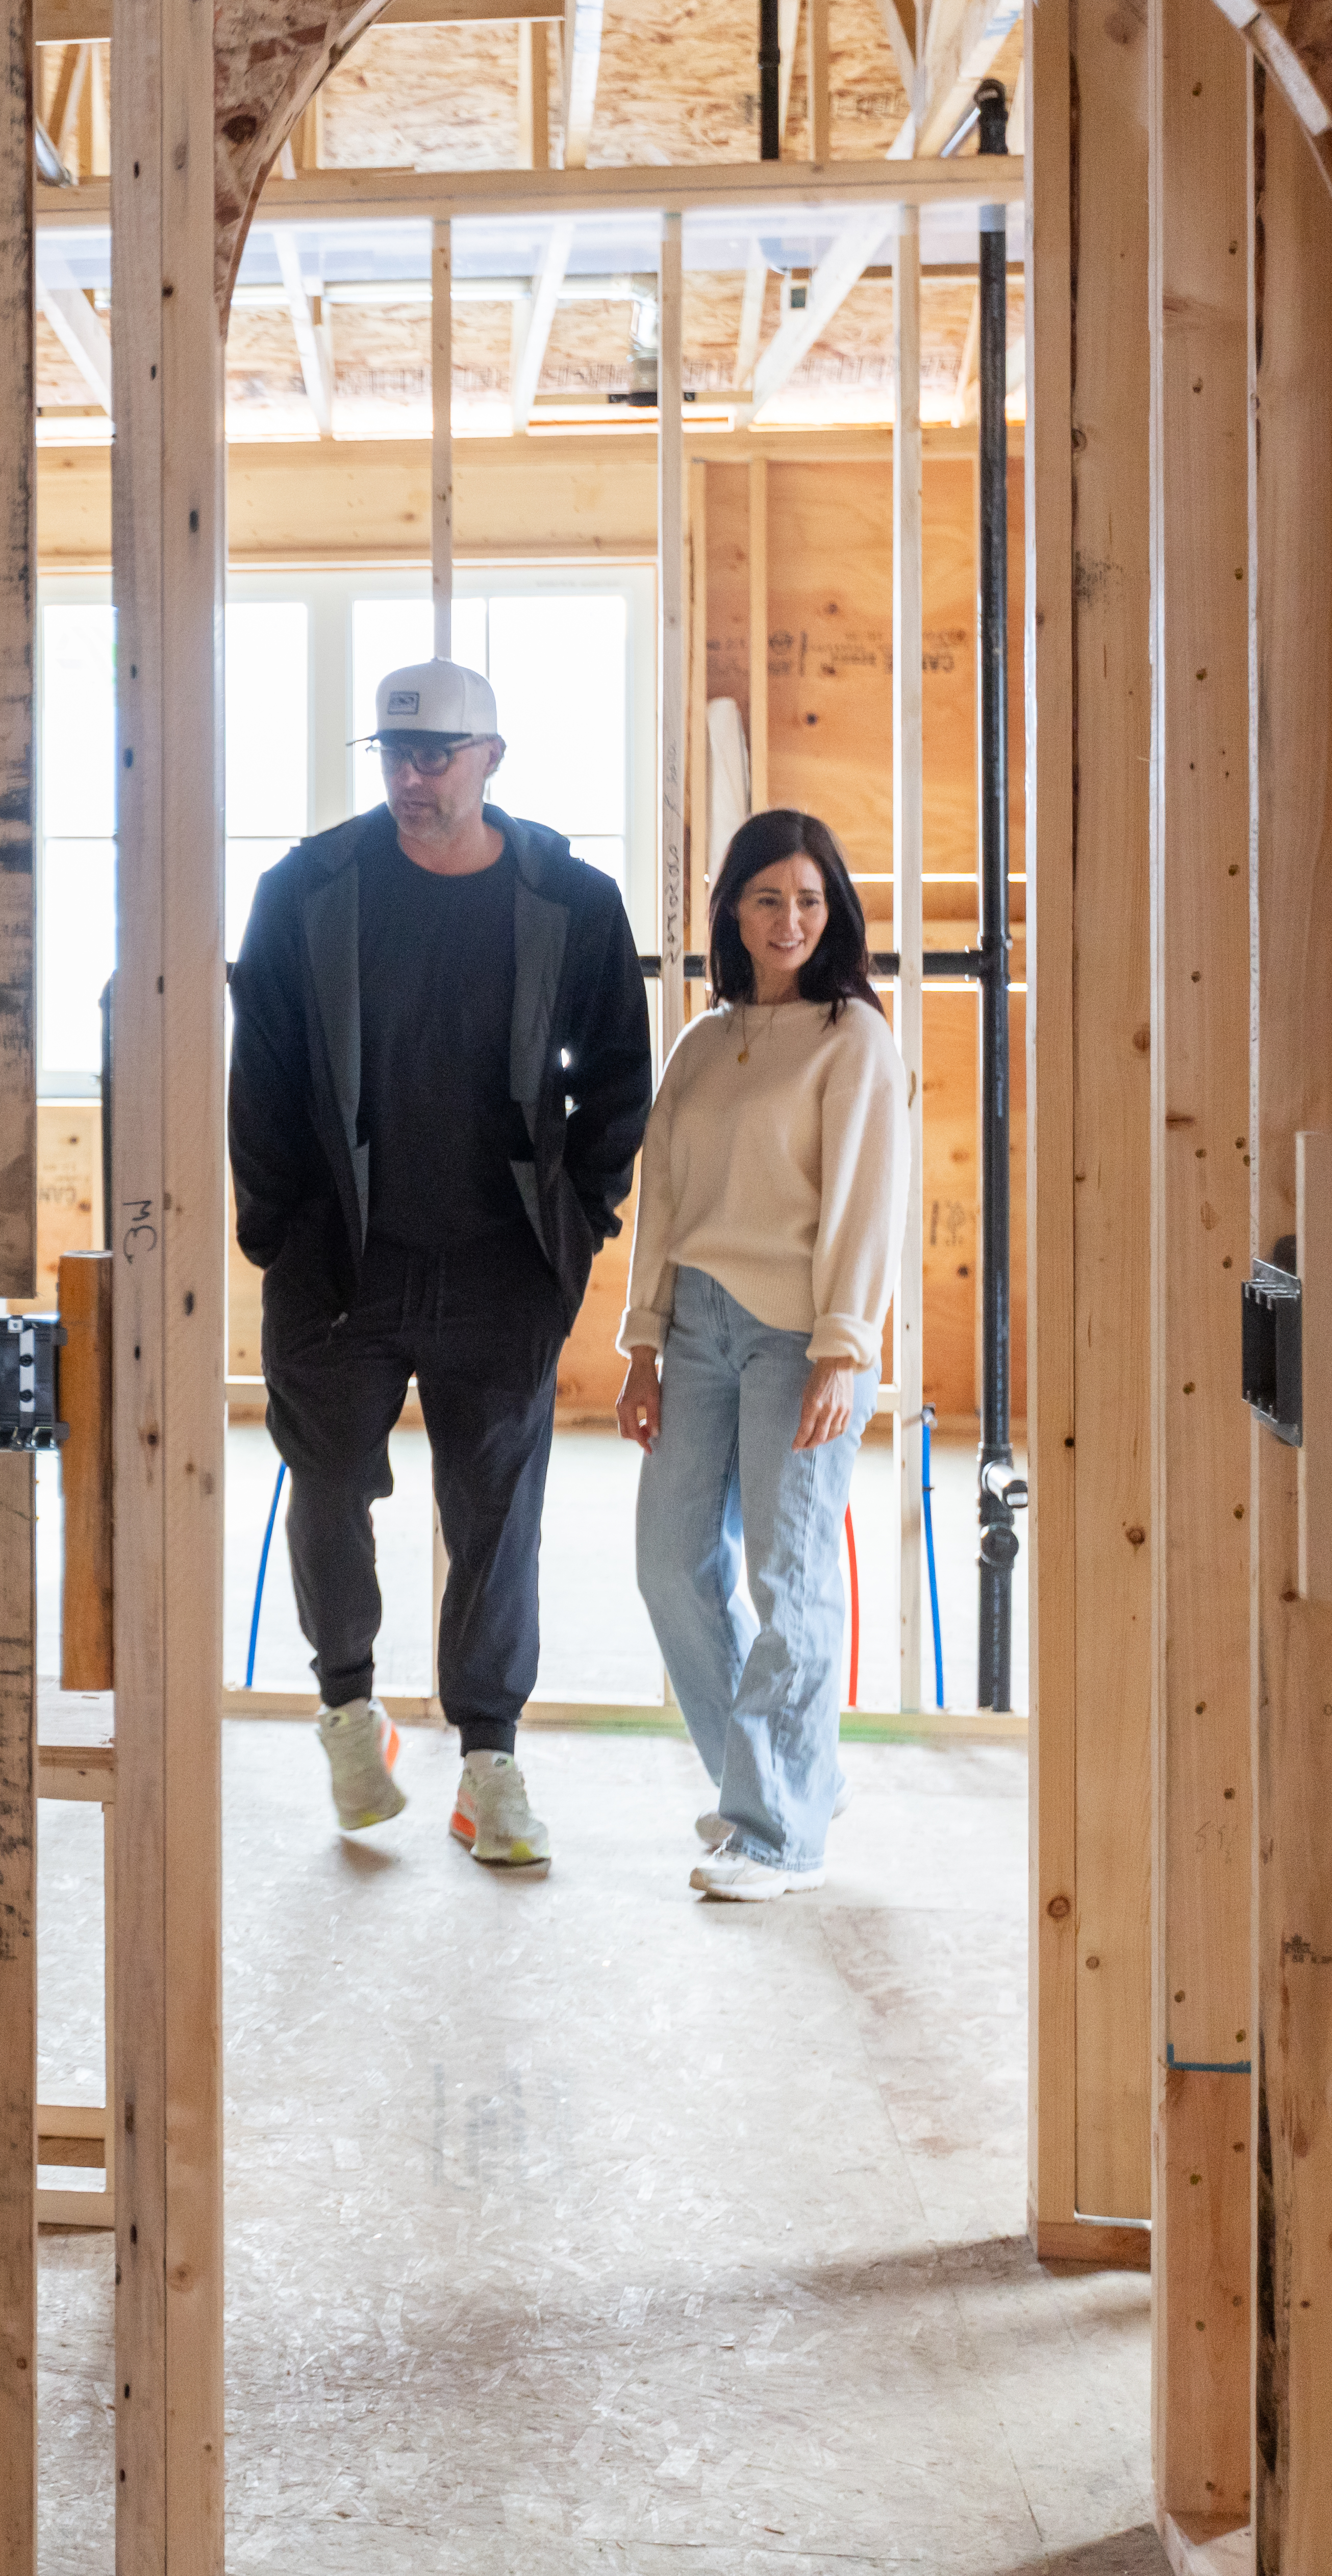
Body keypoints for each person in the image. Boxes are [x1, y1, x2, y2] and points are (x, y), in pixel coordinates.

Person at [230, 659, 654, 1870]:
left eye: (437, 755)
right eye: (394, 754)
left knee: (497, 1514)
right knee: (328, 1488)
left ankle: (489, 1760)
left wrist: (572, 1231)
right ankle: (349, 1711)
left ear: (492, 758)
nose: (413, 777)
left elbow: (618, 1079)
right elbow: (256, 1072)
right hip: (338, 1267)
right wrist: (279, 1232)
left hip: (500, 1269)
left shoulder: (567, 898)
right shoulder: (308, 887)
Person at [615, 809, 906, 1902]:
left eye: (810, 899)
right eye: (767, 897)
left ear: (832, 913)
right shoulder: (701, 1041)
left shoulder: (852, 1038)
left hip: (801, 1336)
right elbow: (665, 1203)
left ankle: (779, 1833)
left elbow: (866, 1205)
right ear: (731, 908)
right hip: (694, 1328)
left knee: (788, 1578)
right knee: (668, 1562)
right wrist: (642, 1341)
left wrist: (844, 1346)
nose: (789, 918)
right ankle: (781, 1773)